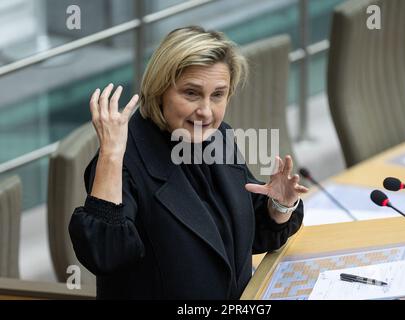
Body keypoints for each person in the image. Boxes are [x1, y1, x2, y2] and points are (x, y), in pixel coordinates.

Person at [69, 26, 308, 300]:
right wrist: (110, 154)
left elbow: (241, 238)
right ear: (159, 91)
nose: (206, 111)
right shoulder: (122, 161)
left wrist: (279, 205)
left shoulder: (218, 137)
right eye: (191, 94)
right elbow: (106, 254)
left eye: (218, 95)